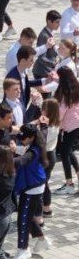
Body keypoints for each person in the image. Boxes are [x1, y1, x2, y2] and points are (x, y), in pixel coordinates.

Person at [12, 125, 49, 259]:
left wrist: (3, 159)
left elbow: (22, 160)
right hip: (34, 186)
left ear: (31, 137)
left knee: (23, 219)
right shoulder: (36, 145)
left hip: (32, 189)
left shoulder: (33, 151)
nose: (21, 140)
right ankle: (42, 239)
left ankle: (23, 249)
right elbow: (23, 151)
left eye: (24, 138)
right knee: (26, 215)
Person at [53, 66, 79, 195]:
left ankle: (69, 184)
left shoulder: (64, 93)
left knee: (64, 153)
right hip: (76, 124)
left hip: (69, 126)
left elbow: (61, 111)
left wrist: (54, 124)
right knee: (68, 151)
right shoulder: (75, 87)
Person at [32, 11, 62, 79]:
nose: (59, 24)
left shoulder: (50, 32)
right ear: (49, 22)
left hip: (47, 71)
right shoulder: (44, 36)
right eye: (57, 22)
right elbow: (41, 58)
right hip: (42, 72)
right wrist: (54, 64)